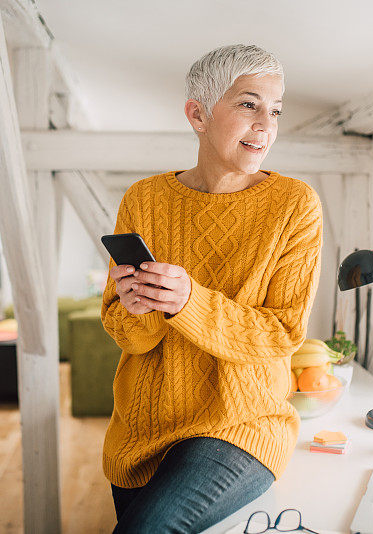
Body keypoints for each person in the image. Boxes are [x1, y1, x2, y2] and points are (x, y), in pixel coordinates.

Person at [100, 43, 324, 533]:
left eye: (276, 110)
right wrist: (138, 309)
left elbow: (283, 332)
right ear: (198, 114)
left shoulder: (294, 205)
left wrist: (189, 302)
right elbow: (129, 336)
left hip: (240, 426)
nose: (266, 124)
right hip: (142, 428)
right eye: (248, 104)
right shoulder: (145, 198)